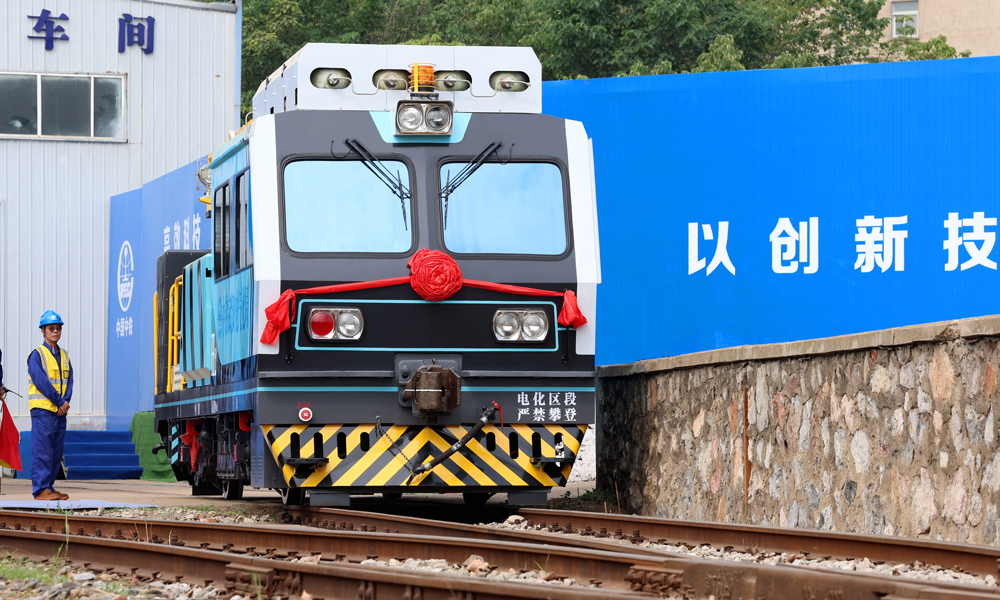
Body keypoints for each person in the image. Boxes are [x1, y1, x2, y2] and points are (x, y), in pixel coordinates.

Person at [27, 311, 73, 501]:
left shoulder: (64, 355)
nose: (55, 331)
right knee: (43, 451)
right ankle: (40, 490)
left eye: (58, 328)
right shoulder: (36, 355)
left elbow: (69, 382)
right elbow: (41, 382)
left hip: (59, 412)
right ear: (43, 331)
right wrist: (59, 401)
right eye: (51, 328)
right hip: (43, 411)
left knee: (55, 452)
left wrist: (65, 403)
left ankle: (49, 487)